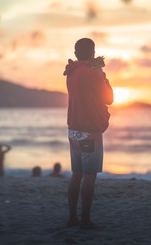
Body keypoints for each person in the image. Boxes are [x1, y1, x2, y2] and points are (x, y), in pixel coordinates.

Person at [63, 38, 113, 229]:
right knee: (89, 176)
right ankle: (85, 219)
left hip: (73, 130)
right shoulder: (93, 74)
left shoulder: (71, 72)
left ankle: (72, 218)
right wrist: (101, 72)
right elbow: (109, 98)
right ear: (93, 53)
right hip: (89, 131)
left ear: (76, 53)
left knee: (77, 174)